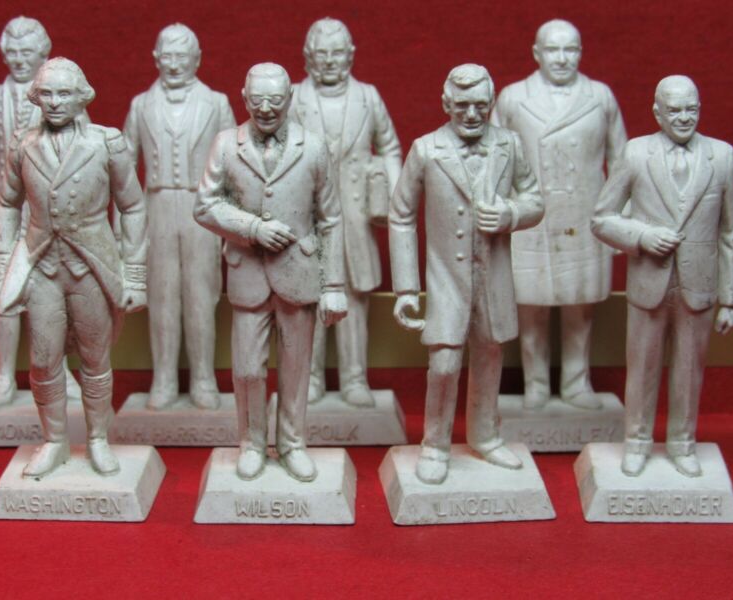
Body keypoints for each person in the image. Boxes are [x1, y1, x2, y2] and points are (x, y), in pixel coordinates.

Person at [0, 58, 148, 477]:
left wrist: (134, 274)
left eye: (64, 93)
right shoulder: (22, 146)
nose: (55, 102)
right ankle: (54, 440)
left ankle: (97, 439)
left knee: (96, 358)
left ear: (82, 97)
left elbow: (133, 206)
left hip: (91, 266)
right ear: (35, 98)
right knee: (43, 361)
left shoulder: (106, 143)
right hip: (41, 265)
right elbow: (7, 205)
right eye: (46, 94)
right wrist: (2, 269)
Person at [390, 64, 544, 485]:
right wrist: (407, 288)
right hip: (446, 281)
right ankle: (434, 444)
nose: (472, 114)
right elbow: (401, 215)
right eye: (462, 106)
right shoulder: (426, 149)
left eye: (480, 105)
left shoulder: (509, 145)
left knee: (490, 356)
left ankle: (485, 435)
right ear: (446, 104)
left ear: (491, 103)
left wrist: (511, 214)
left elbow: (535, 200)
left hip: (493, 278)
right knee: (443, 365)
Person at [195, 63, 348, 482]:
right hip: (247, 274)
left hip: (300, 273)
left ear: (290, 98)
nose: (265, 108)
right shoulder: (226, 144)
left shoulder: (313, 146)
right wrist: (251, 228)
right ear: (244, 97)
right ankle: (251, 443)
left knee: (297, 369)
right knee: (247, 370)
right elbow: (205, 206)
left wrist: (334, 284)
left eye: (275, 100)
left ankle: (293, 443)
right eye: (258, 99)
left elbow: (331, 218)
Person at [592, 75, 733, 477]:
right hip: (648, 283)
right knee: (641, 368)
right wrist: (642, 236)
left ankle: (682, 443)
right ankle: (637, 442)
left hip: (699, 286)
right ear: (657, 112)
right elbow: (601, 218)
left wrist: (730, 299)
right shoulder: (635, 153)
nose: (684, 117)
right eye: (674, 110)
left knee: (689, 370)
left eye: (691, 109)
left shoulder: (722, 156)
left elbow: (730, 233)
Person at [492, 19, 627, 410]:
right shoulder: (513, 98)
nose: (562, 58)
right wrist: (500, 214)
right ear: (537, 53)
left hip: (585, 216)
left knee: (580, 307)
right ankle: (534, 385)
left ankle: (575, 383)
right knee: (531, 306)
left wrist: (621, 221)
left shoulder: (600, 97)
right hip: (531, 218)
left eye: (570, 49)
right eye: (553, 50)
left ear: (581, 53)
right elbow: (495, 159)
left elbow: (623, 162)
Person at [0, 17, 80, 406]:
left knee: (58, 292)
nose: (18, 59)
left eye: (26, 52)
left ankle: (61, 371)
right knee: (5, 292)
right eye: (11, 52)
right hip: (7, 211)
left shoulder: (61, 95)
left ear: (43, 53)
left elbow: (85, 154)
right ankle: (4, 374)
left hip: (52, 213)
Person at [289, 18, 402, 406]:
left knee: (353, 298)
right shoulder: (293, 98)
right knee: (309, 296)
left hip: (355, 217)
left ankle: (355, 378)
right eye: (322, 53)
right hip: (307, 217)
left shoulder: (368, 97)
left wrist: (392, 196)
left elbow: (390, 147)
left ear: (350, 55)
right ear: (308, 57)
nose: (330, 60)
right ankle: (310, 377)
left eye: (337, 53)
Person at [123, 23, 236, 410]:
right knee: (162, 296)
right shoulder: (140, 105)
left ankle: (204, 378)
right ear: (156, 59)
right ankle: (164, 377)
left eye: (182, 57)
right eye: (167, 56)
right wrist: (124, 228)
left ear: (197, 59)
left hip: (202, 209)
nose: (174, 65)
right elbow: (123, 170)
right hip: (156, 208)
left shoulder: (217, 103)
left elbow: (235, 166)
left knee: (202, 296)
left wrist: (233, 224)